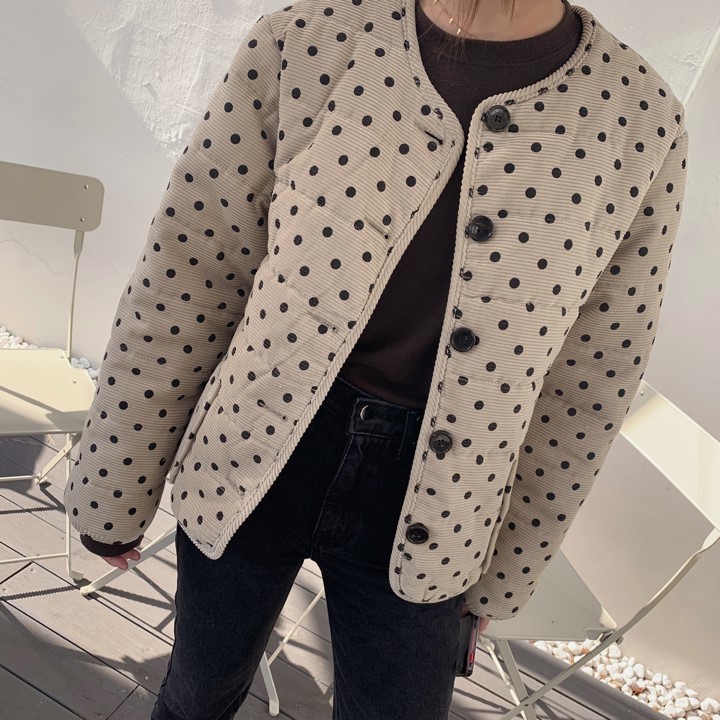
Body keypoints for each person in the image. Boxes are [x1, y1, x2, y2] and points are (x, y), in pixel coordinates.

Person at [64, 0, 690, 718]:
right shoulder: (311, 40)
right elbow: (192, 266)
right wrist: (117, 478)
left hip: (446, 495)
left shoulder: (641, 120)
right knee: (196, 693)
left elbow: (595, 375)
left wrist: (509, 561)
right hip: (251, 444)